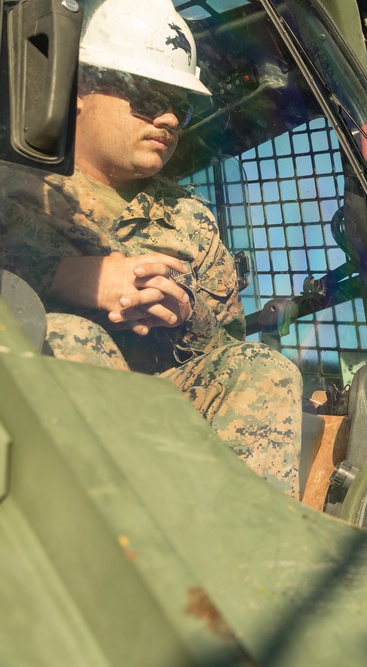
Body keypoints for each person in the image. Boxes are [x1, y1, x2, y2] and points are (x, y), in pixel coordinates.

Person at [0, 0, 302, 497]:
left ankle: (247, 555)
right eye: (147, 96)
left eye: (179, 106)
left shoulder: (192, 219)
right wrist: (60, 277)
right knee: (74, 338)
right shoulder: (15, 184)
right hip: (34, 413)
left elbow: (225, 344)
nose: (167, 119)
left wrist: (186, 315)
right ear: (78, 90)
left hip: (161, 409)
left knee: (263, 369)